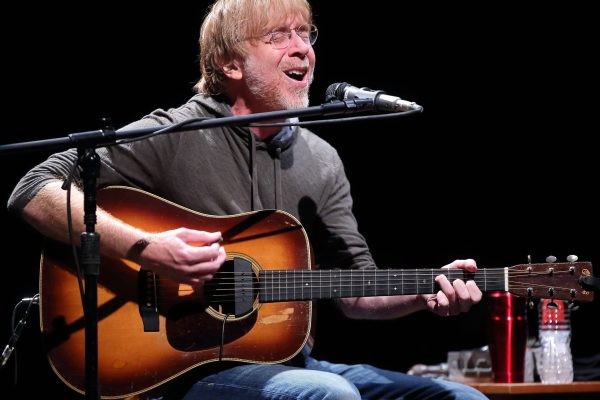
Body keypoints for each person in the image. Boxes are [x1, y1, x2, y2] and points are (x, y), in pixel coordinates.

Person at [8, 0, 487, 399]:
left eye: (305, 34)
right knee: (328, 394)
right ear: (230, 64)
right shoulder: (176, 134)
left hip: (289, 362)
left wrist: (425, 292)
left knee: (461, 397)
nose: (302, 48)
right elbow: (33, 188)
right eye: (278, 36)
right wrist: (146, 248)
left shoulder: (322, 160)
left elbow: (356, 292)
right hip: (181, 369)